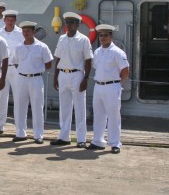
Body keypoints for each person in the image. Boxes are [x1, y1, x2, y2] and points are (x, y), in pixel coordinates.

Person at [51, 12, 93, 148]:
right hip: (63, 74)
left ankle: (81, 139)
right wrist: (55, 76)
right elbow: (58, 58)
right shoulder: (62, 39)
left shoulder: (83, 40)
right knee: (64, 107)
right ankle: (64, 137)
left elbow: (88, 60)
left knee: (80, 108)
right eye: (67, 23)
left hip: (77, 75)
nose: (69, 25)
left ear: (78, 24)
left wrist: (86, 78)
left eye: (72, 23)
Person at [87, 24, 129, 154]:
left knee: (113, 116)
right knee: (98, 115)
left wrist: (117, 84)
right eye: (101, 35)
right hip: (98, 86)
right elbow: (95, 68)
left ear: (111, 36)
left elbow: (125, 71)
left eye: (105, 35)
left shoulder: (117, 52)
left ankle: (115, 143)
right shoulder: (97, 52)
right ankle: (98, 141)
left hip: (112, 86)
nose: (102, 38)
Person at [12, 21, 53, 144]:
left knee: (37, 106)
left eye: (28, 31)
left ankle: (38, 135)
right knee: (20, 106)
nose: (25, 33)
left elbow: (48, 64)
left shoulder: (42, 47)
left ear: (34, 32)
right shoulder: (18, 47)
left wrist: (35, 70)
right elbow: (15, 62)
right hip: (21, 78)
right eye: (24, 31)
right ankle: (20, 133)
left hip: (36, 79)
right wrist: (25, 70)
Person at [0, 9, 24, 135]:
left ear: (15, 21)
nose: (10, 22)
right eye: (8, 20)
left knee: (19, 98)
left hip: (16, 69)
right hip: (2, 68)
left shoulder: (21, 33)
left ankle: (19, 128)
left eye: (12, 20)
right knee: (1, 98)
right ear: (4, 20)